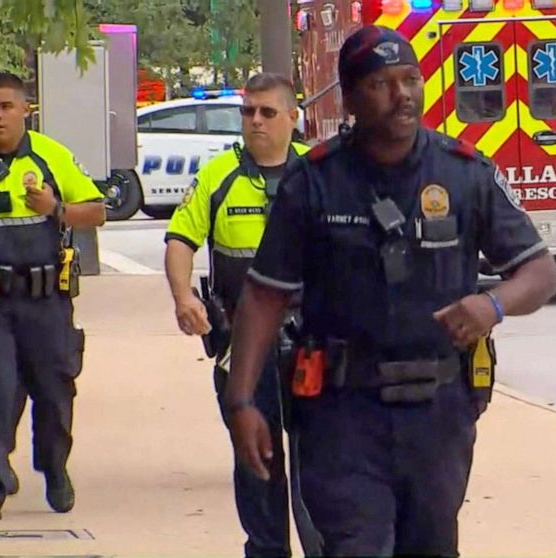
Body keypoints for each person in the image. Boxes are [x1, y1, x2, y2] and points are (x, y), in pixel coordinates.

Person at [223, 25, 556, 557]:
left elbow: (540, 272)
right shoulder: (313, 181)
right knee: (356, 545)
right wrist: (242, 399)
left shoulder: (462, 174)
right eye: (382, 83)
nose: (403, 95)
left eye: (411, 79)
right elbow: (263, 297)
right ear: (351, 98)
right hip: (342, 413)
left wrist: (490, 305)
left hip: (439, 413)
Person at [163, 72, 318, 558]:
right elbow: (180, 239)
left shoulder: (319, 174)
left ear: (293, 118)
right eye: (247, 112)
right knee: (257, 462)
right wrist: (182, 295)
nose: (254, 121)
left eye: (267, 112)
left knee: (322, 463)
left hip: (314, 344)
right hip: (245, 348)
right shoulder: (217, 175)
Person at [0, 71, 106, 523]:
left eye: (6, 107)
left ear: (25, 110)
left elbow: (96, 212)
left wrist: (55, 209)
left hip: (46, 298)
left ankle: (54, 469)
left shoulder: (51, 156)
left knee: (54, 392)